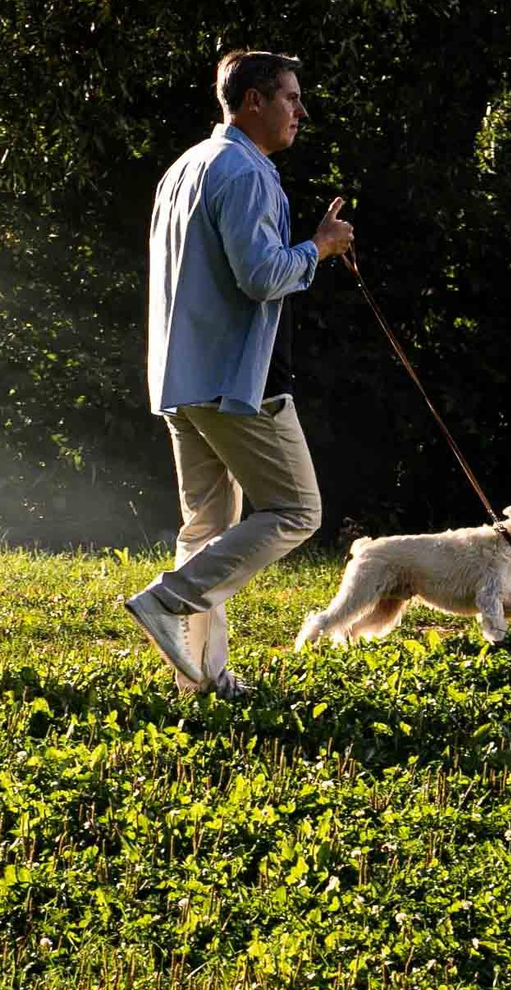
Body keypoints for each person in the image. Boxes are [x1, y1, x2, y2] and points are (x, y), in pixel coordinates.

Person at [125, 49, 355, 696]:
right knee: (297, 508)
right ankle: (168, 600)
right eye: (289, 98)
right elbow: (260, 276)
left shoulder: (184, 166)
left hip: (181, 375)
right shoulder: (247, 174)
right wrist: (321, 247)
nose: (300, 112)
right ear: (252, 100)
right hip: (237, 378)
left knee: (206, 527)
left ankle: (200, 673)